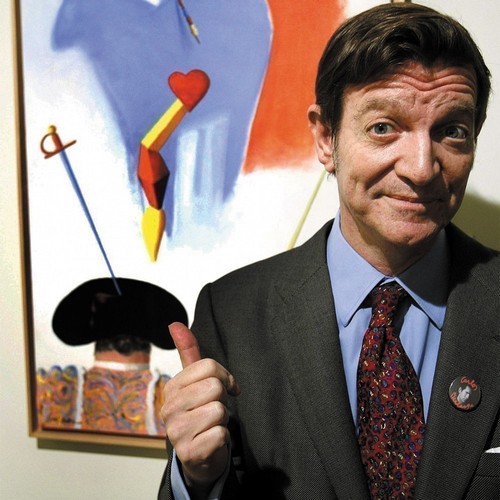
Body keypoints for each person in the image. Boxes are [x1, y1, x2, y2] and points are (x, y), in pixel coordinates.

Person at [158, 3, 500, 499]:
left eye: (452, 131)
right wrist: (198, 478)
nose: (422, 168)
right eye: (383, 127)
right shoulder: (231, 312)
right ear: (325, 137)